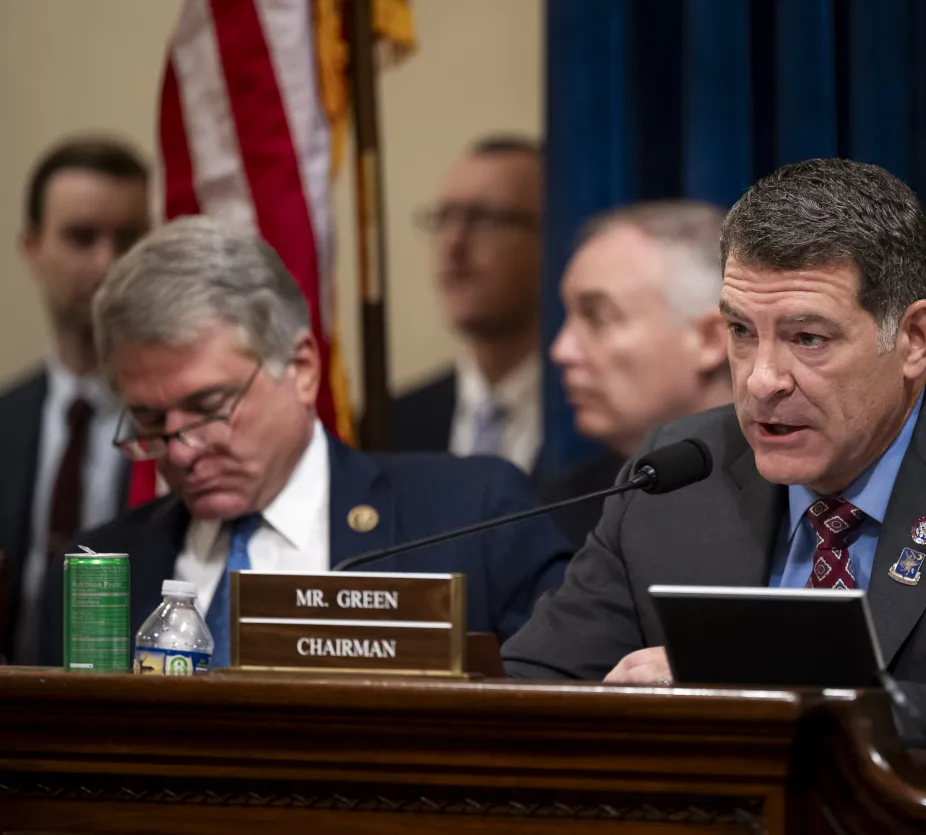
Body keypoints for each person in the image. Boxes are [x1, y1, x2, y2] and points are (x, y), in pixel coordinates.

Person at [501, 158, 926, 745]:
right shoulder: (678, 471)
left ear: (916, 338)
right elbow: (528, 691)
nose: (761, 380)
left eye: (807, 338)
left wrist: (752, 690)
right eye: (740, 332)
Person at [38, 216, 571, 667]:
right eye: (150, 419)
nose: (179, 451)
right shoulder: (97, 566)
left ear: (302, 370)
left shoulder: (471, 518)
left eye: (208, 408)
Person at [0, 137, 150, 664]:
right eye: (82, 237)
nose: (107, 263)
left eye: (128, 238)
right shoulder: (8, 421)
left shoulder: (183, 431)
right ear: (32, 246)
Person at [540, 201, 734, 547]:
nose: (562, 350)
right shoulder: (558, 514)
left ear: (709, 339)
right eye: (567, 316)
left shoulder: (798, 497)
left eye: (597, 317)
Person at [391, 136, 543, 474]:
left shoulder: (597, 421)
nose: (454, 243)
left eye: (488, 218)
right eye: (444, 218)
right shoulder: (387, 426)